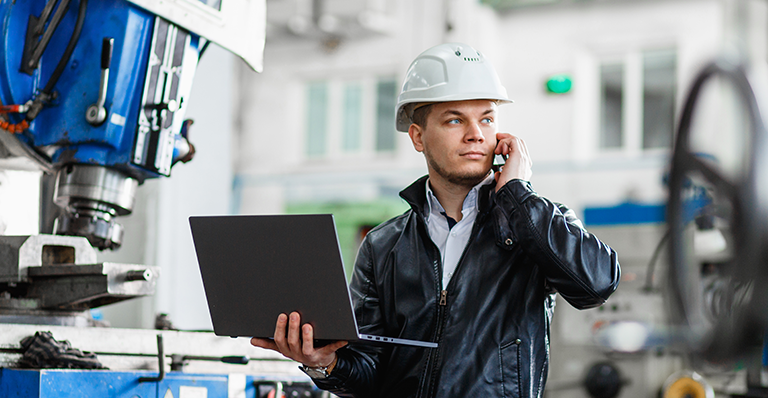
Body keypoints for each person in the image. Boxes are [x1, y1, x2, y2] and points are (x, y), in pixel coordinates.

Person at [251, 42, 621, 398]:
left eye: (487, 118)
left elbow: (597, 285)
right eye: (455, 119)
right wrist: (325, 364)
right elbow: (369, 372)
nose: (476, 133)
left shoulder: (533, 225)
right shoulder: (383, 246)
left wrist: (519, 194)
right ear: (418, 136)